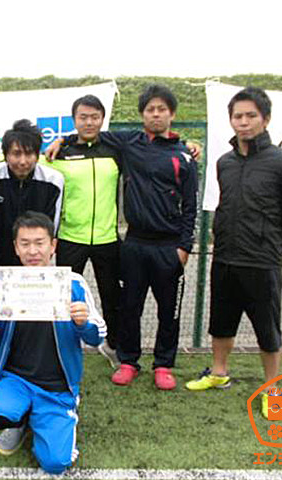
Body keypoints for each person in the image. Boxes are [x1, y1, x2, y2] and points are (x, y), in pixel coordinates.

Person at [47, 84, 198, 390]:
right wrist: (61, 140)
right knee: (129, 307)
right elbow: (84, 138)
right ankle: (128, 360)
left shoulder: (184, 155)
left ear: (171, 114)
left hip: (168, 246)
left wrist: (184, 247)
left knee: (168, 310)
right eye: (150, 109)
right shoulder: (128, 142)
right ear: (142, 115)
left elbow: (191, 207)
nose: (156, 114)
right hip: (134, 243)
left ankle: (163, 364)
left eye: (162, 109)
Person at [185, 87, 282, 418]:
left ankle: (273, 390)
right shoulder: (225, 162)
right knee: (221, 323)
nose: (243, 122)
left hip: (262, 261)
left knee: (268, 330)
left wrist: (272, 245)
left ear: (265, 119)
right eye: (237, 116)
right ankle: (218, 373)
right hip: (225, 257)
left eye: (251, 115)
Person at [0, 211, 106, 475]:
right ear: (16, 248)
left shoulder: (73, 283)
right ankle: (19, 420)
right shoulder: (6, 285)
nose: (33, 251)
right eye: (25, 243)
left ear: (53, 246)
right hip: (15, 379)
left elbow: (97, 335)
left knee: (55, 463)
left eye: (39, 243)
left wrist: (83, 323)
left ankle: (54, 417)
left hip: (57, 387)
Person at [0, 119, 64, 386]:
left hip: (36, 259)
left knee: (34, 310)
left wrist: (44, 263)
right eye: (16, 154)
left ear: (38, 154)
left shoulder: (54, 181)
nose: (22, 161)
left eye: (28, 154)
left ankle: (36, 364)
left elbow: (52, 226)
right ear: (6, 154)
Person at [40, 94, 121, 369]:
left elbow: (151, 141)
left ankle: (113, 346)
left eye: (94, 117)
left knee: (112, 297)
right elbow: (28, 159)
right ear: (74, 120)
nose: (89, 122)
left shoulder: (115, 148)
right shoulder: (59, 152)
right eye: (83, 117)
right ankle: (62, 349)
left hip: (107, 238)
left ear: (102, 119)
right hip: (70, 238)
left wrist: (188, 144)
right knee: (64, 297)